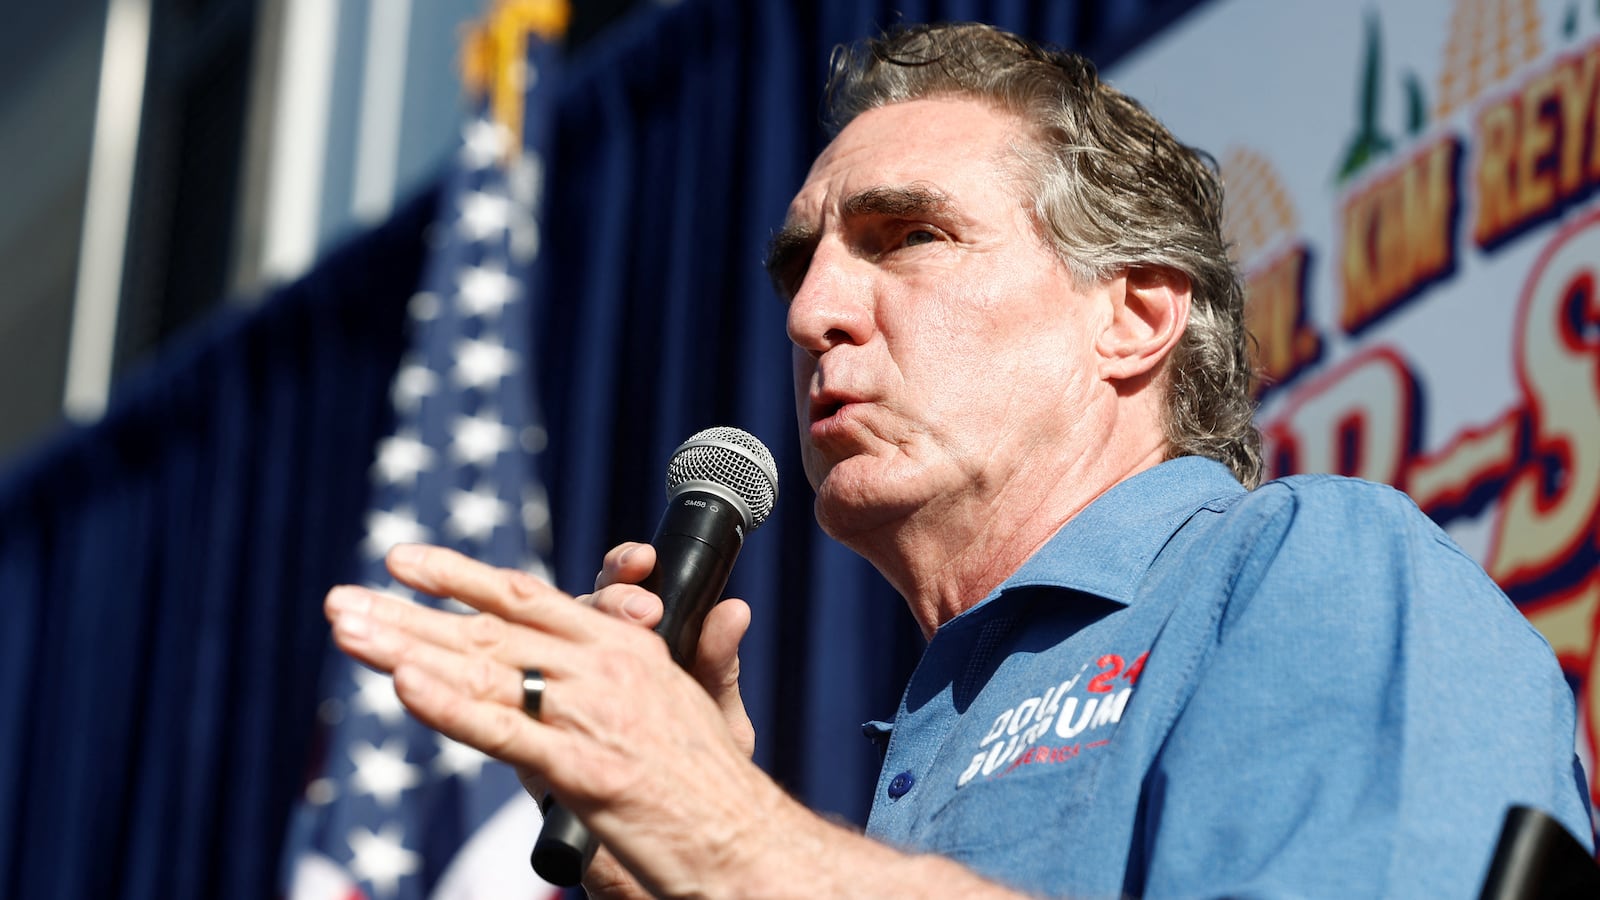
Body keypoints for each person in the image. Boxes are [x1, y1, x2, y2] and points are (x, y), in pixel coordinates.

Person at [323, 22, 1593, 898]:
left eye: (906, 237)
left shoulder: (1310, 565)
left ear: (1134, 316)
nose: (813, 309)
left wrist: (731, 833)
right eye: (801, 262)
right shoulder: (918, 736)